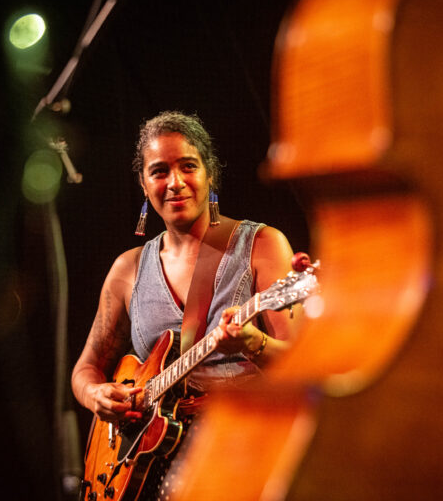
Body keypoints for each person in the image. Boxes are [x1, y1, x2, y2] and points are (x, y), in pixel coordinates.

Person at [71, 111, 295, 498]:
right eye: (159, 171)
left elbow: (301, 366)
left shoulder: (262, 245)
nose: (174, 182)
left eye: (188, 166)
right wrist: (96, 396)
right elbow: (86, 369)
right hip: (148, 470)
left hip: (242, 453)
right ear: (144, 184)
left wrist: (249, 342)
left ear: (210, 174)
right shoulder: (128, 269)